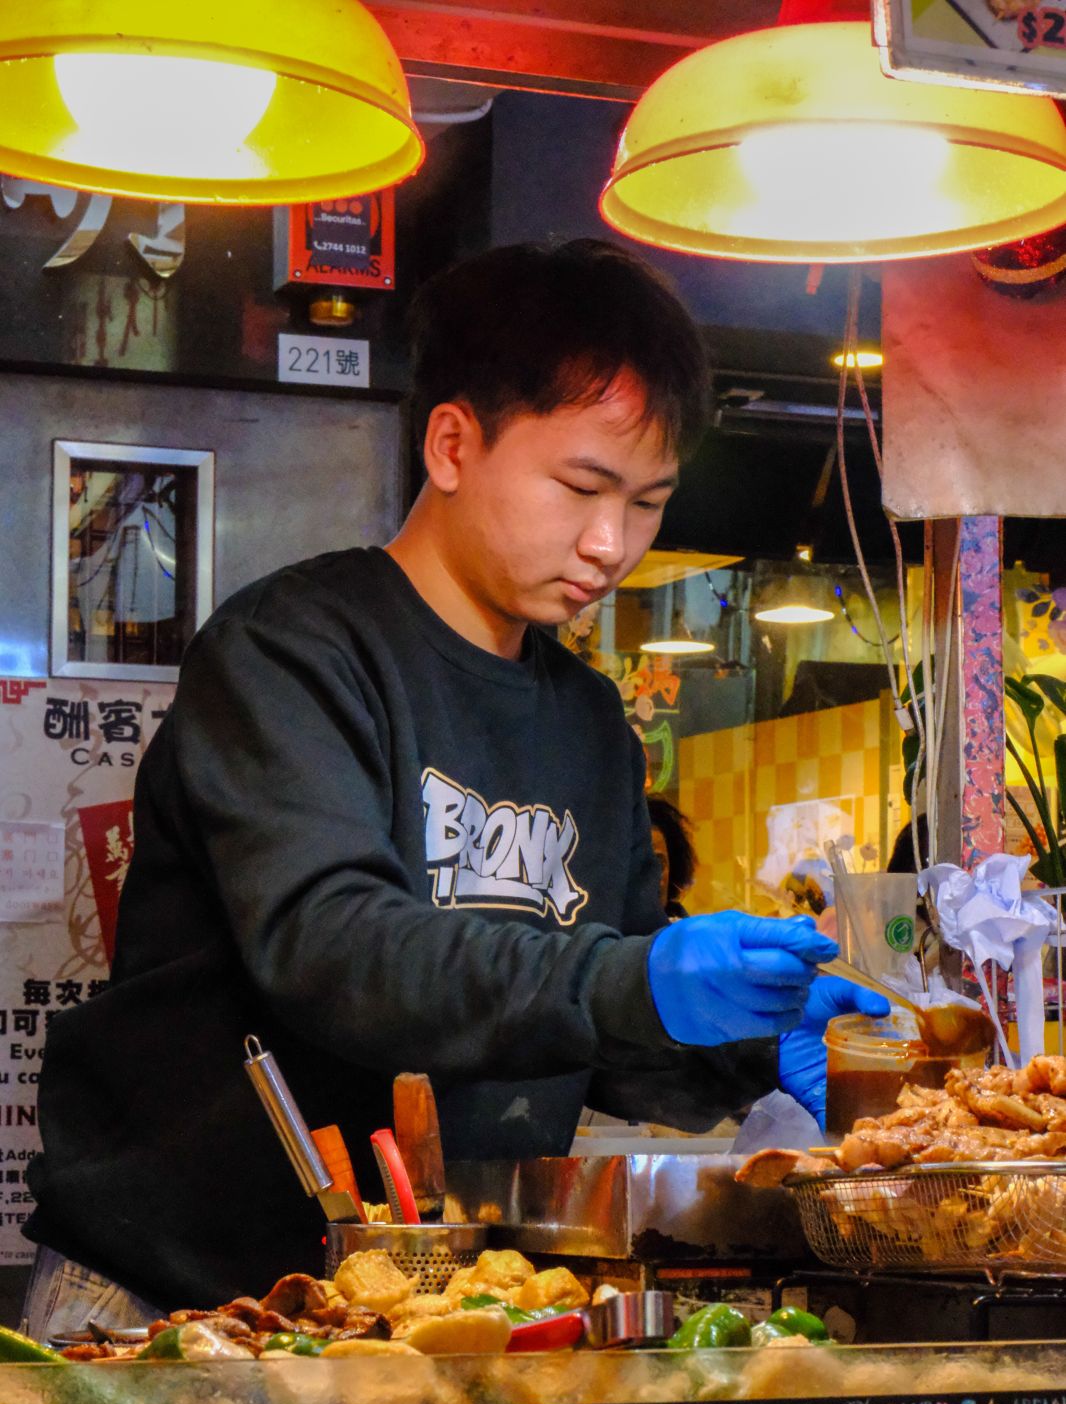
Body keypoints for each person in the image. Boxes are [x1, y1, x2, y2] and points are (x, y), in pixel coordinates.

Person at [24, 240, 886, 1334]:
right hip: (172, 1296)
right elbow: (334, 948)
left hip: (422, 1311)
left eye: (649, 502)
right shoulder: (291, 653)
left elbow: (589, 1030)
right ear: (451, 442)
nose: (610, 542)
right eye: (581, 485)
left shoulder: (587, 723)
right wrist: (635, 980)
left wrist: (746, 1040)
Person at [646, 794, 696, 919]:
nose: (650, 876)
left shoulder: (692, 934)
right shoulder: (594, 934)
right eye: (634, 865)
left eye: (658, 864)